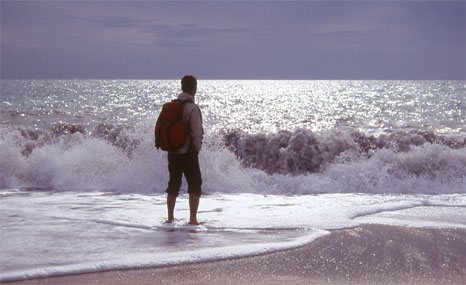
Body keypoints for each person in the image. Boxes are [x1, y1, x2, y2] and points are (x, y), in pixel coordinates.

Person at [165, 75, 203, 225]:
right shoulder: (192, 108)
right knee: (195, 184)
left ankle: (170, 218)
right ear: (194, 89)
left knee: (173, 184)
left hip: (172, 152)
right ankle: (193, 219)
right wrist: (197, 149)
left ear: (182, 87)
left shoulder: (173, 106)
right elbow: (196, 132)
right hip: (188, 153)